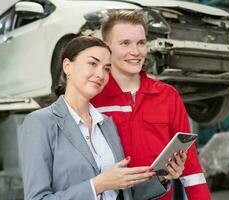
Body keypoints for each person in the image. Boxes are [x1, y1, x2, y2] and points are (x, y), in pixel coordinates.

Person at [20, 36, 186, 200]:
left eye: (106, 68)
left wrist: (163, 176)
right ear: (67, 66)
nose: (101, 74)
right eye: (93, 63)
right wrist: (98, 185)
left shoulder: (106, 124)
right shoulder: (40, 123)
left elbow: (124, 194)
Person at [91, 10, 211, 200]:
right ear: (107, 48)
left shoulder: (167, 95)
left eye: (141, 43)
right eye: (125, 43)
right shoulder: (93, 98)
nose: (136, 52)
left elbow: (191, 166)